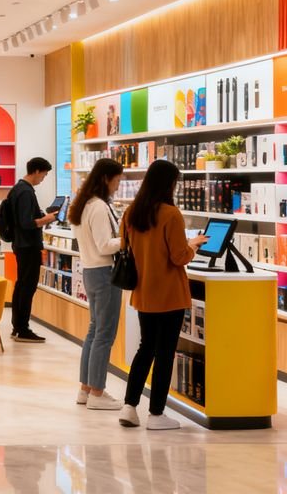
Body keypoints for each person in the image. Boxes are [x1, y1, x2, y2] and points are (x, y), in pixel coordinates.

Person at [118, 159, 207, 431]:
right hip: (169, 293)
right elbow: (178, 256)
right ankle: (156, 414)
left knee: (145, 349)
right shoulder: (171, 214)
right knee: (165, 352)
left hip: (144, 292)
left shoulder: (131, 213)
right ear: (170, 183)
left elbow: (126, 248)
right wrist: (193, 245)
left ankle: (129, 406)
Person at [70, 157, 126, 410]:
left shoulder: (84, 205)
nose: (118, 184)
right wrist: (128, 239)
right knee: (104, 334)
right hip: (105, 273)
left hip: (91, 272)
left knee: (94, 332)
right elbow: (105, 245)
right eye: (117, 179)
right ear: (106, 178)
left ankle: (86, 389)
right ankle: (97, 392)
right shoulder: (100, 207)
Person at [6, 157, 60, 343]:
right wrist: (50, 218)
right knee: (27, 287)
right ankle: (22, 328)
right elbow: (27, 223)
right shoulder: (26, 192)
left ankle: (18, 326)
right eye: (43, 175)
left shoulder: (17, 190)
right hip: (28, 245)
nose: (42, 179)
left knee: (22, 285)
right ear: (36, 171)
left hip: (21, 245)